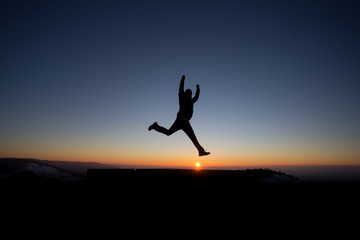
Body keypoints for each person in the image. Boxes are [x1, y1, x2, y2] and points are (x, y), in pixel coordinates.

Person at [148, 75, 210, 156]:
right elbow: (181, 89)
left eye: (191, 94)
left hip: (186, 123)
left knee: (193, 137)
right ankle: (155, 126)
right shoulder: (182, 98)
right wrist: (182, 79)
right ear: (186, 93)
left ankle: (201, 151)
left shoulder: (191, 101)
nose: (190, 95)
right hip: (180, 121)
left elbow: (197, 97)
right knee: (168, 133)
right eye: (188, 93)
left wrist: (198, 89)